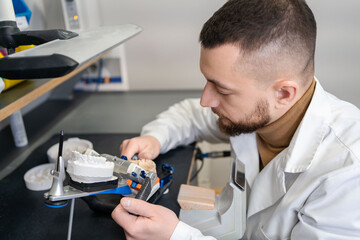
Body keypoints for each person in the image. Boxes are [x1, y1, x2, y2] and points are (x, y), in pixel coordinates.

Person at [111, 0, 360, 239]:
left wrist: (176, 237)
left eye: (222, 90)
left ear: (283, 93)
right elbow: (189, 115)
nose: (205, 100)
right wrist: (154, 139)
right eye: (207, 81)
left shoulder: (347, 171)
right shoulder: (265, 114)